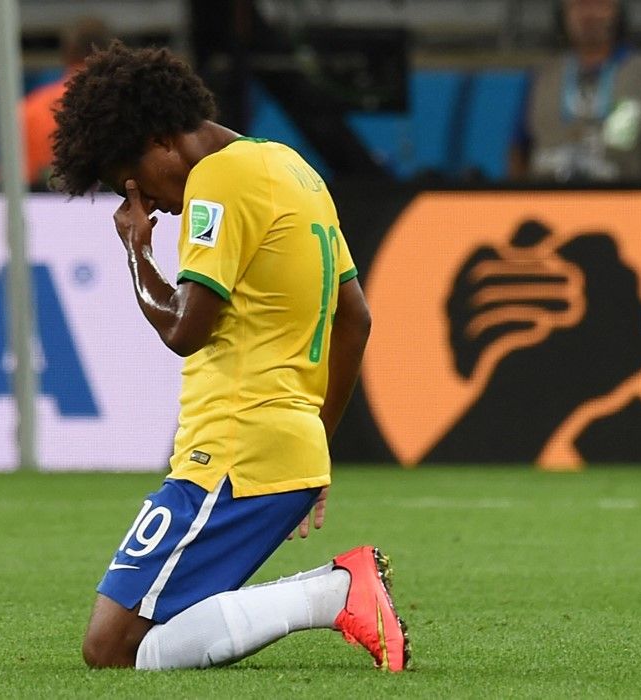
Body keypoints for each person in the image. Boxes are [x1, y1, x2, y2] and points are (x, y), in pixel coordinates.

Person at [49, 41, 409, 672]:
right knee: (148, 636)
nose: (143, 203)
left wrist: (137, 250)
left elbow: (185, 330)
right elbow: (356, 319)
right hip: (276, 444)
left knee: (109, 649)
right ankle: (330, 592)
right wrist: (316, 439)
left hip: (232, 451)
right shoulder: (290, 167)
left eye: (128, 180)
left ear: (160, 137)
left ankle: (331, 593)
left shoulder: (217, 178)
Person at [508, 0, 641, 183]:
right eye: (579, 6)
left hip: (624, 203)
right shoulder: (541, 75)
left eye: (598, 4)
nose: (589, 16)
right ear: (563, 14)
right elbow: (518, 150)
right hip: (549, 203)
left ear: (617, 10)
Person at [20, 18, 111, 187]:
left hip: (46, 207)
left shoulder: (31, 108)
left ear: (68, 53)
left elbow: (14, 181)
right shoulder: (132, 106)